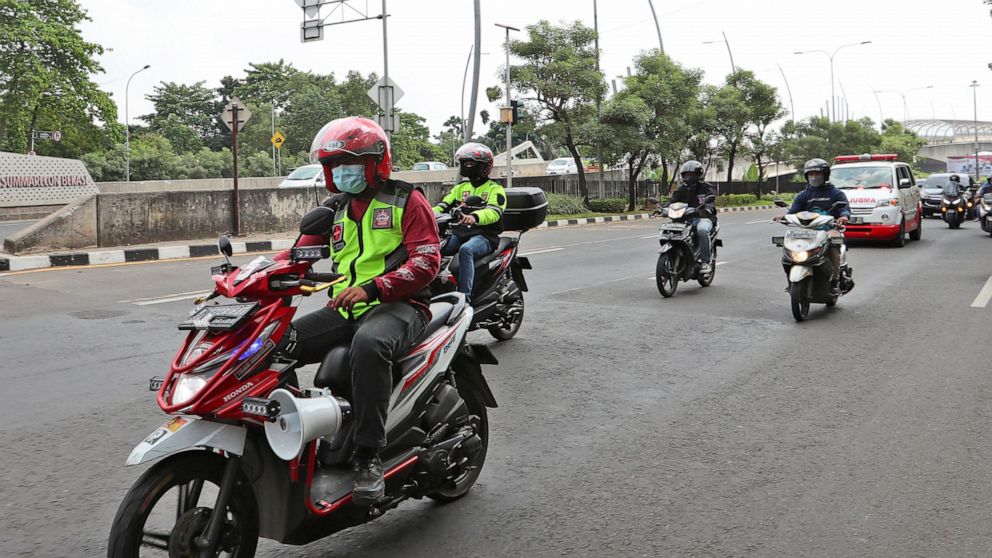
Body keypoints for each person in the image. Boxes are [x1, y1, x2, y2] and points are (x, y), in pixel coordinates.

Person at [276, 117, 441, 506]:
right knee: (276, 344)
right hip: (347, 308)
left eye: (351, 163)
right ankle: (294, 432)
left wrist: (373, 287)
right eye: (334, 165)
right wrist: (254, 275)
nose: (341, 172)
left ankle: (368, 455)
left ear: (376, 162)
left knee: (369, 345)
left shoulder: (406, 200)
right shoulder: (333, 210)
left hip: (401, 305)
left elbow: (427, 261)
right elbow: (296, 255)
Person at [432, 142, 507, 302]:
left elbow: (494, 212)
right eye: (464, 163)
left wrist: (475, 217)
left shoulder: (495, 189)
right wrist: (424, 214)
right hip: (461, 233)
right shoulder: (460, 188)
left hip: (485, 236)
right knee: (434, 249)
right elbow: (443, 206)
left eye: (471, 163)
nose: (467, 166)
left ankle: (465, 298)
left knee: (466, 250)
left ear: (483, 166)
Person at [774, 158, 851, 295]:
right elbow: (793, 212)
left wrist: (843, 217)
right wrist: (784, 217)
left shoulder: (836, 194)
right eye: (811, 174)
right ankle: (790, 281)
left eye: (817, 174)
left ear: (825, 176)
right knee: (788, 250)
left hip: (829, 230)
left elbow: (844, 209)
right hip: (807, 231)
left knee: (834, 245)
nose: (814, 177)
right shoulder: (803, 195)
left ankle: (835, 281)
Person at [665, 160, 717, 274]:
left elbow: (710, 201)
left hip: (703, 218)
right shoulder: (681, 189)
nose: (689, 177)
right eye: (686, 174)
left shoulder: (706, 187)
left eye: (691, 174)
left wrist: (707, 209)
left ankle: (705, 262)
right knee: (669, 231)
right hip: (684, 219)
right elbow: (672, 202)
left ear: (698, 174)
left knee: (702, 230)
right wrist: (662, 209)